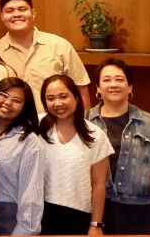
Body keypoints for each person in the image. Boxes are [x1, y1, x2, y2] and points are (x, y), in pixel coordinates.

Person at [85, 58, 150, 235]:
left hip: (141, 212)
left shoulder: (148, 123)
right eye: (106, 80)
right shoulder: (85, 123)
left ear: (130, 87)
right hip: (95, 210)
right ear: (98, 88)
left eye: (119, 79)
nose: (113, 84)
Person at [38, 74, 111, 235]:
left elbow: (99, 184)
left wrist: (96, 224)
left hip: (78, 216)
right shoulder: (36, 127)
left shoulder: (95, 135)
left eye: (63, 96)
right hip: (38, 214)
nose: (57, 103)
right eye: (50, 98)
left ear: (77, 98)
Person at [0, 0, 90, 112]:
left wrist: (84, 124)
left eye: (22, 9)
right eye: (9, 11)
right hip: (13, 126)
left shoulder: (59, 46)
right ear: (2, 17)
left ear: (33, 13)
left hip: (56, 123)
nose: (16, 14)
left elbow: (80, 88)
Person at [0, 77, 46, 236]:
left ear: (24, 108)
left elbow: (31, 196)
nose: (8, 102)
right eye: (3, 95)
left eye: (17, 100)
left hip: (7, 215)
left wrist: (24, 231)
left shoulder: (29, 142)